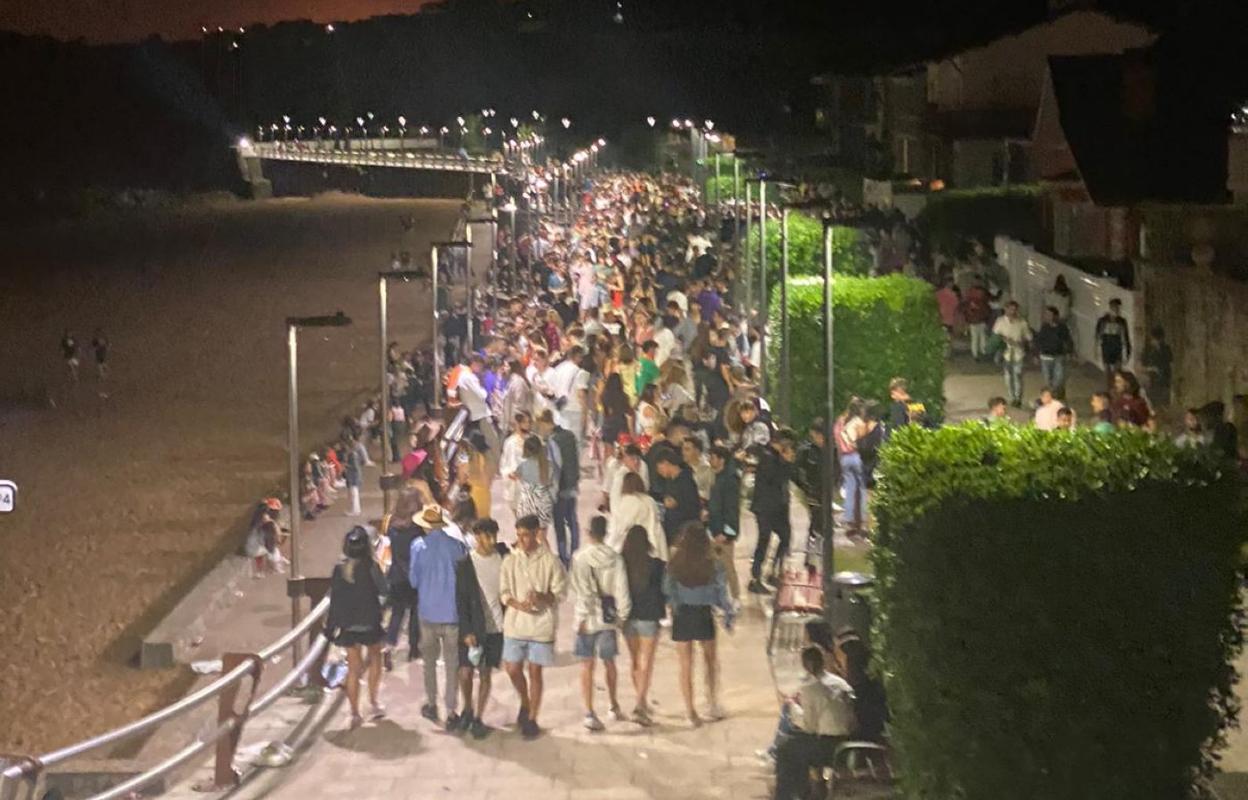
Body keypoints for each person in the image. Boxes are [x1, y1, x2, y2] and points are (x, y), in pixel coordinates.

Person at [500, 514, 568, 740]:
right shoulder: (510, 560)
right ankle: (525, 700)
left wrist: (541, 597)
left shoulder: (550, 561)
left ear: (536, 534)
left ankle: (532, 719)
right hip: (516, 624)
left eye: (526, 535)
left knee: (535, 671)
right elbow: (504, 593)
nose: (522, 540)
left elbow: (560, 593)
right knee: (512, 669)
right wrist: (518, 603)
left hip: (541, 625)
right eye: (519, 536)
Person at [664, 522, 734, 727]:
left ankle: (690, 710)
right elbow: (721, 594)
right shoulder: (714, 564)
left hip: (682, 614)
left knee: (685, 665)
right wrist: (728, 614)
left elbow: (668, 589)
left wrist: (674, 607)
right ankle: (712, 703)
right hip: (704, 614)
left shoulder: (675, 563)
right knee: (710, 661)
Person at [409, 504, 469, 729]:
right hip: (452, 613)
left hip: (427, 612)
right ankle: (452, 709)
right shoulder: (456, 547)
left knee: (429, 663)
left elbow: (413, 581)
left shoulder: (417, 547)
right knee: (452, 663)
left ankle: (432, 703)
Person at [571, 515, 632, 731]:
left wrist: (580, 618)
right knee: (609, 662)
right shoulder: (615, 559)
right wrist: (622, 617)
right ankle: (613, 705)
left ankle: (589, 712)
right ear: (605, 532)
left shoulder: (580, 558)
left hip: (587, 619)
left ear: (588, 532)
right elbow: (622, 591)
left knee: (587, 664)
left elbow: (581, 592)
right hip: (608, 618)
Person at [772, 647, 856, 800]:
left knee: (786, 749)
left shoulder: (811, 688)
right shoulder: (840, 683)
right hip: (849, 743)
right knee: (795, 745)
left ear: (806, 666)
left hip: (828, 747)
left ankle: (789, 795)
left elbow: (808, 726)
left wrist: (792, 705)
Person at [327, 526, 389, 729]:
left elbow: (335, 599)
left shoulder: (339, 569)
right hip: (369, 621)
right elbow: (384, 589)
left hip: (348, 624)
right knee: (375, 660)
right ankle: (373, 702)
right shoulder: (371, 566)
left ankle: (354, 713)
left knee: (353, 669)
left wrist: (331, 626)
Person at [455, 518, 508, 740]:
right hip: (473, 629)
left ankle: (478, 716)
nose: (492, 541)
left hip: (496, 628)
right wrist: (466, 631)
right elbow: (461, 600)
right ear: (477, 537)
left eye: (494, 536)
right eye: (487, 536)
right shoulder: (466, 564)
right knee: (466, 672)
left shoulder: (504, 559)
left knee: (485, 673)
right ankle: (467, 707)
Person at [620, 524, 665, 726]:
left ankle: (641, 700)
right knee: (647, 661)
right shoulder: (656, 565)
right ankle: (640, 702)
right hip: (649, 616)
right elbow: (663, 591)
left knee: (635, 660)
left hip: (628, 617)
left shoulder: (621, 564)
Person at [749, 428, 796, 593]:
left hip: (778, 506)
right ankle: (755, 577)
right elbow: (774, 478)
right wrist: (786, 461)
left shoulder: (777, 458)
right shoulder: (768, 456)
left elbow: (788, 477)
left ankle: (773, 571)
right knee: (764, 539)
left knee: (786, 537)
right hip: (765, 506)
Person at [383, 493, 423, 668]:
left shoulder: (392, 527)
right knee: (415, 612)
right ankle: (414, 647)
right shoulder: (418, 529)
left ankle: (389, 646)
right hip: (415, 576)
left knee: (397, 614)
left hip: (397, 575)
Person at [538, 409, 581, 567]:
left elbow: (556, 467)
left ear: (545, 423)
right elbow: (576, 459)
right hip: (572, 486)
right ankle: (575, 552)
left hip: (559, 489)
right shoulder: (570, 436)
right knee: (572, 521)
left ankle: (564, 557)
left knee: (559, 525)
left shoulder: (552, 441)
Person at [706, 445, 741, 601]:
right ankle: (721, 598)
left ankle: (735, 597)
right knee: (716, 568)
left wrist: (727, 533)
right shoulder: (719, 477)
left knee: (727, 567)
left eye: (713, 457)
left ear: (721, 460)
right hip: (715, 528)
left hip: (723, 532)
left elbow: (731, 508)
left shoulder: (729, 480)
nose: (710, 461)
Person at [607, 470, 667, 560]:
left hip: (631, 545)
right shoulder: (650, 501)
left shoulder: (624, 502)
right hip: (652, 543)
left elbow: (619, 527)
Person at [653, 449, 701, 548]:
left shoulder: (686, 480)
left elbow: (693, 506)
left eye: (659, 467)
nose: (659, 472)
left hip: (685, 533)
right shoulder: (670, 480)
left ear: (666, 463)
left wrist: (676, 503)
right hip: (672, 531)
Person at [515, 434, 555, 538]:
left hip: (526, 504)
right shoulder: (549, 465)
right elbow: (552, 483)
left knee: (526, 537)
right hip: (543, 504)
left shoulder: (522, 466)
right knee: (541, 538)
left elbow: (516, 476)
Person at [992, 300, 1031, 407]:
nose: (1012, 312)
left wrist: (1020, 342)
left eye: (1014, 309)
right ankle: (1012, 396)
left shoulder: (1022, 322)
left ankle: (1018, 398)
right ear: (1005, 309)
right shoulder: (1000, 321)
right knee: (1008, 377)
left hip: (1019, 353)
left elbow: (1028, 337)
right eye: (1010, 309)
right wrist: (1004, 339)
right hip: (1005, 353)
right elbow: (995, 336)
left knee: (1017, 375)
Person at [1034, 306, 1073, 399]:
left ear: (1055, 316)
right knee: (1048, 379)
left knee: (1059, 379)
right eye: (1046, 314)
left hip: (1058, 356)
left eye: (1049, 314)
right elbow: (1039, 341)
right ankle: (1053, 397)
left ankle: (1056, 393)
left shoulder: (1062, 327)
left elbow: (1067, 340)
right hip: (1045, 356)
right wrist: (1036, 354)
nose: (1047, 316)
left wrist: (1069, 352)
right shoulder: (1044, 327)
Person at [1095, 298, 1131, 383]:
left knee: (1117, 373)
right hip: (1106, 347)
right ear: (1110, 308)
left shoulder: (1122, 321)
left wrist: (1127, 352)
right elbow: (1098, 336)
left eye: (1118, 308)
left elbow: (1125, 337)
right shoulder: (1103, 321)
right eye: (1115, 308)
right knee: (1107, 372)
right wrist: (1097, 350)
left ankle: (1115, 390)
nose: (1117, 310)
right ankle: (1109, 388)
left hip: (1117, 347)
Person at [1142, 326, 1173, 409]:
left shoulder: (1166, 349)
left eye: (1157, 339)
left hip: (1164, 379)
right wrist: (1151, 369)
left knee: (1164, 403)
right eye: (1154, 339)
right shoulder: (1147, 350)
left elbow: (1169, 363)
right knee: (1153, 403)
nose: (1155, 341)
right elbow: (1142, 366)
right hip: (1152, 380)